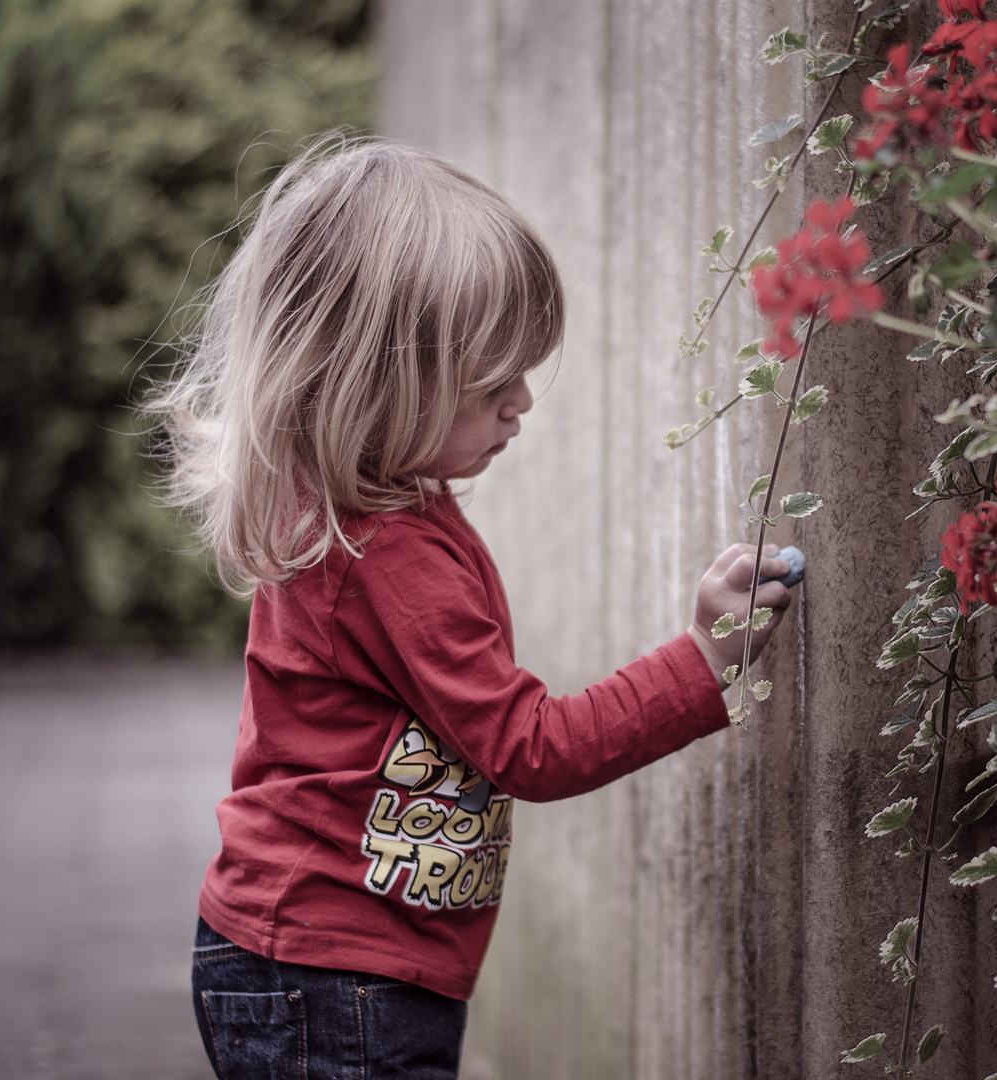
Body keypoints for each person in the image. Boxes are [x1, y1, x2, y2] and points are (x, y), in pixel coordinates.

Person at [147, 136, 793, 1080]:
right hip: (331, 981)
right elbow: (531, 746)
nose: (523, 403)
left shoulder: (377, 506)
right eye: (492, 385)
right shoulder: (384, 553)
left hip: (327, 967)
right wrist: (703, 657)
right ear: (372, 382)